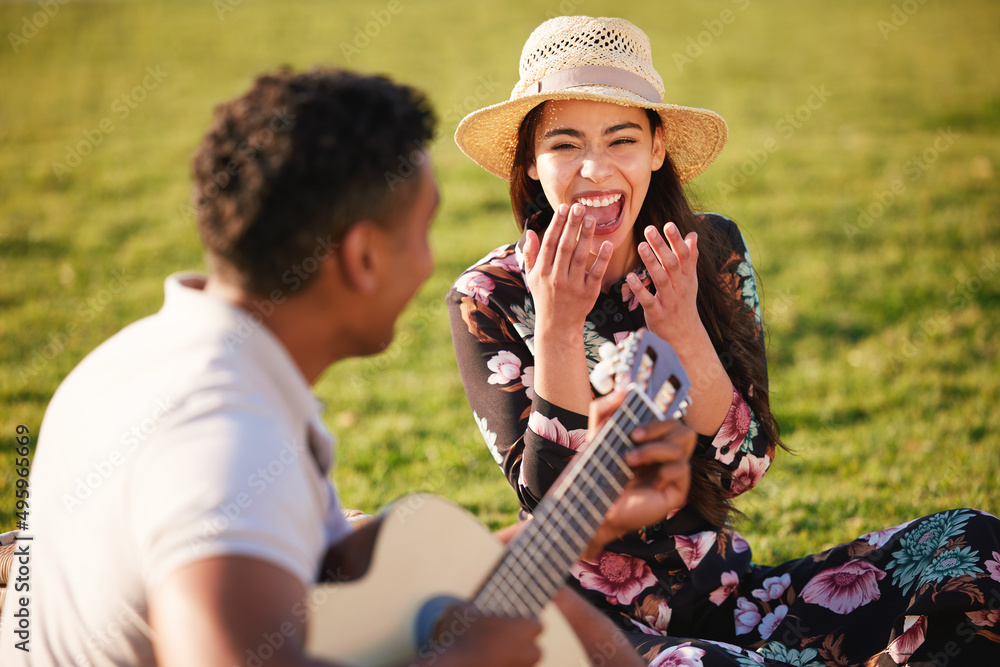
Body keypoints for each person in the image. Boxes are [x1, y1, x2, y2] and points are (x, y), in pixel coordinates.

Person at [0, 68, 701, 667]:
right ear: (363, 257)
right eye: (423, 231)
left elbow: (361, 590)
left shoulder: (149, 359)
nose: (432, 263)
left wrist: (588, 514)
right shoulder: (222, 437)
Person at [447, 15, 1000, 666]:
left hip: (732, 599)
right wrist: (560, 326)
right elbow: (551, 513)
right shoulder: (489, 296)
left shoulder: (710, 252)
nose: (594, 170)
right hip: (589, 631)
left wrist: (683, 326)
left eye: (621, 139)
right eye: (565, 145)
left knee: (975, 545)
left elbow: (745, 466)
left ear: (657, 149)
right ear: (532, 165)